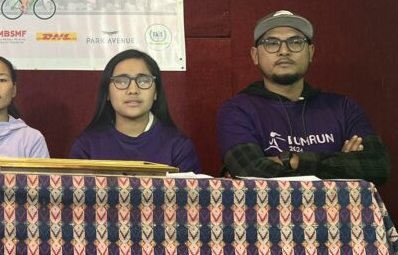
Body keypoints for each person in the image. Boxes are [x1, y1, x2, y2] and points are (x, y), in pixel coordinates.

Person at [217, 10, 390, 184]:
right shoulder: (238, 110)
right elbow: (249, 171)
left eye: (295, 42)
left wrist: (294, 161)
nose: (284, 51)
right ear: (255, 55)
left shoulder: (343, 108)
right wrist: (341, 165)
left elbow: (378, 166)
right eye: (271, 43)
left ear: (311, 52)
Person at [69, 49, 201, 172]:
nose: (133, 90)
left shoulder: (179, 147)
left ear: (156, 92)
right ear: (107, 93)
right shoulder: (86, 146)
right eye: (121, 81)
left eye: (143, 81)